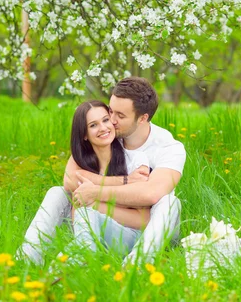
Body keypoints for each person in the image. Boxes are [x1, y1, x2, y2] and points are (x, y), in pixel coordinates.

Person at [17, 77, 186, 265]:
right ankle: (27, 260)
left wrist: (95, 195)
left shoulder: (168, 148)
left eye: (120, 116)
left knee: (169, 202)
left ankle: (137, 265)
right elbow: (71, 179)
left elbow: (151, 193)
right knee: (57, 193)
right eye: (111, 111)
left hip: (151, 231)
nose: (111, 121)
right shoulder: (109, 134)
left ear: (143, 118)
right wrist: (125, 182)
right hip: (105, 225)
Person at [68, 100, 150, 256]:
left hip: (130, 239)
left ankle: (80, 260)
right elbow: (75, 211)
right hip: (91, 237)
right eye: (93, 125)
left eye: (106, 120)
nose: (103, 128)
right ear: (84, 134)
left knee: (86, 211)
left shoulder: (136, 160)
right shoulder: (83, 166)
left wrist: (94, 203)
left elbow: (144, 220)